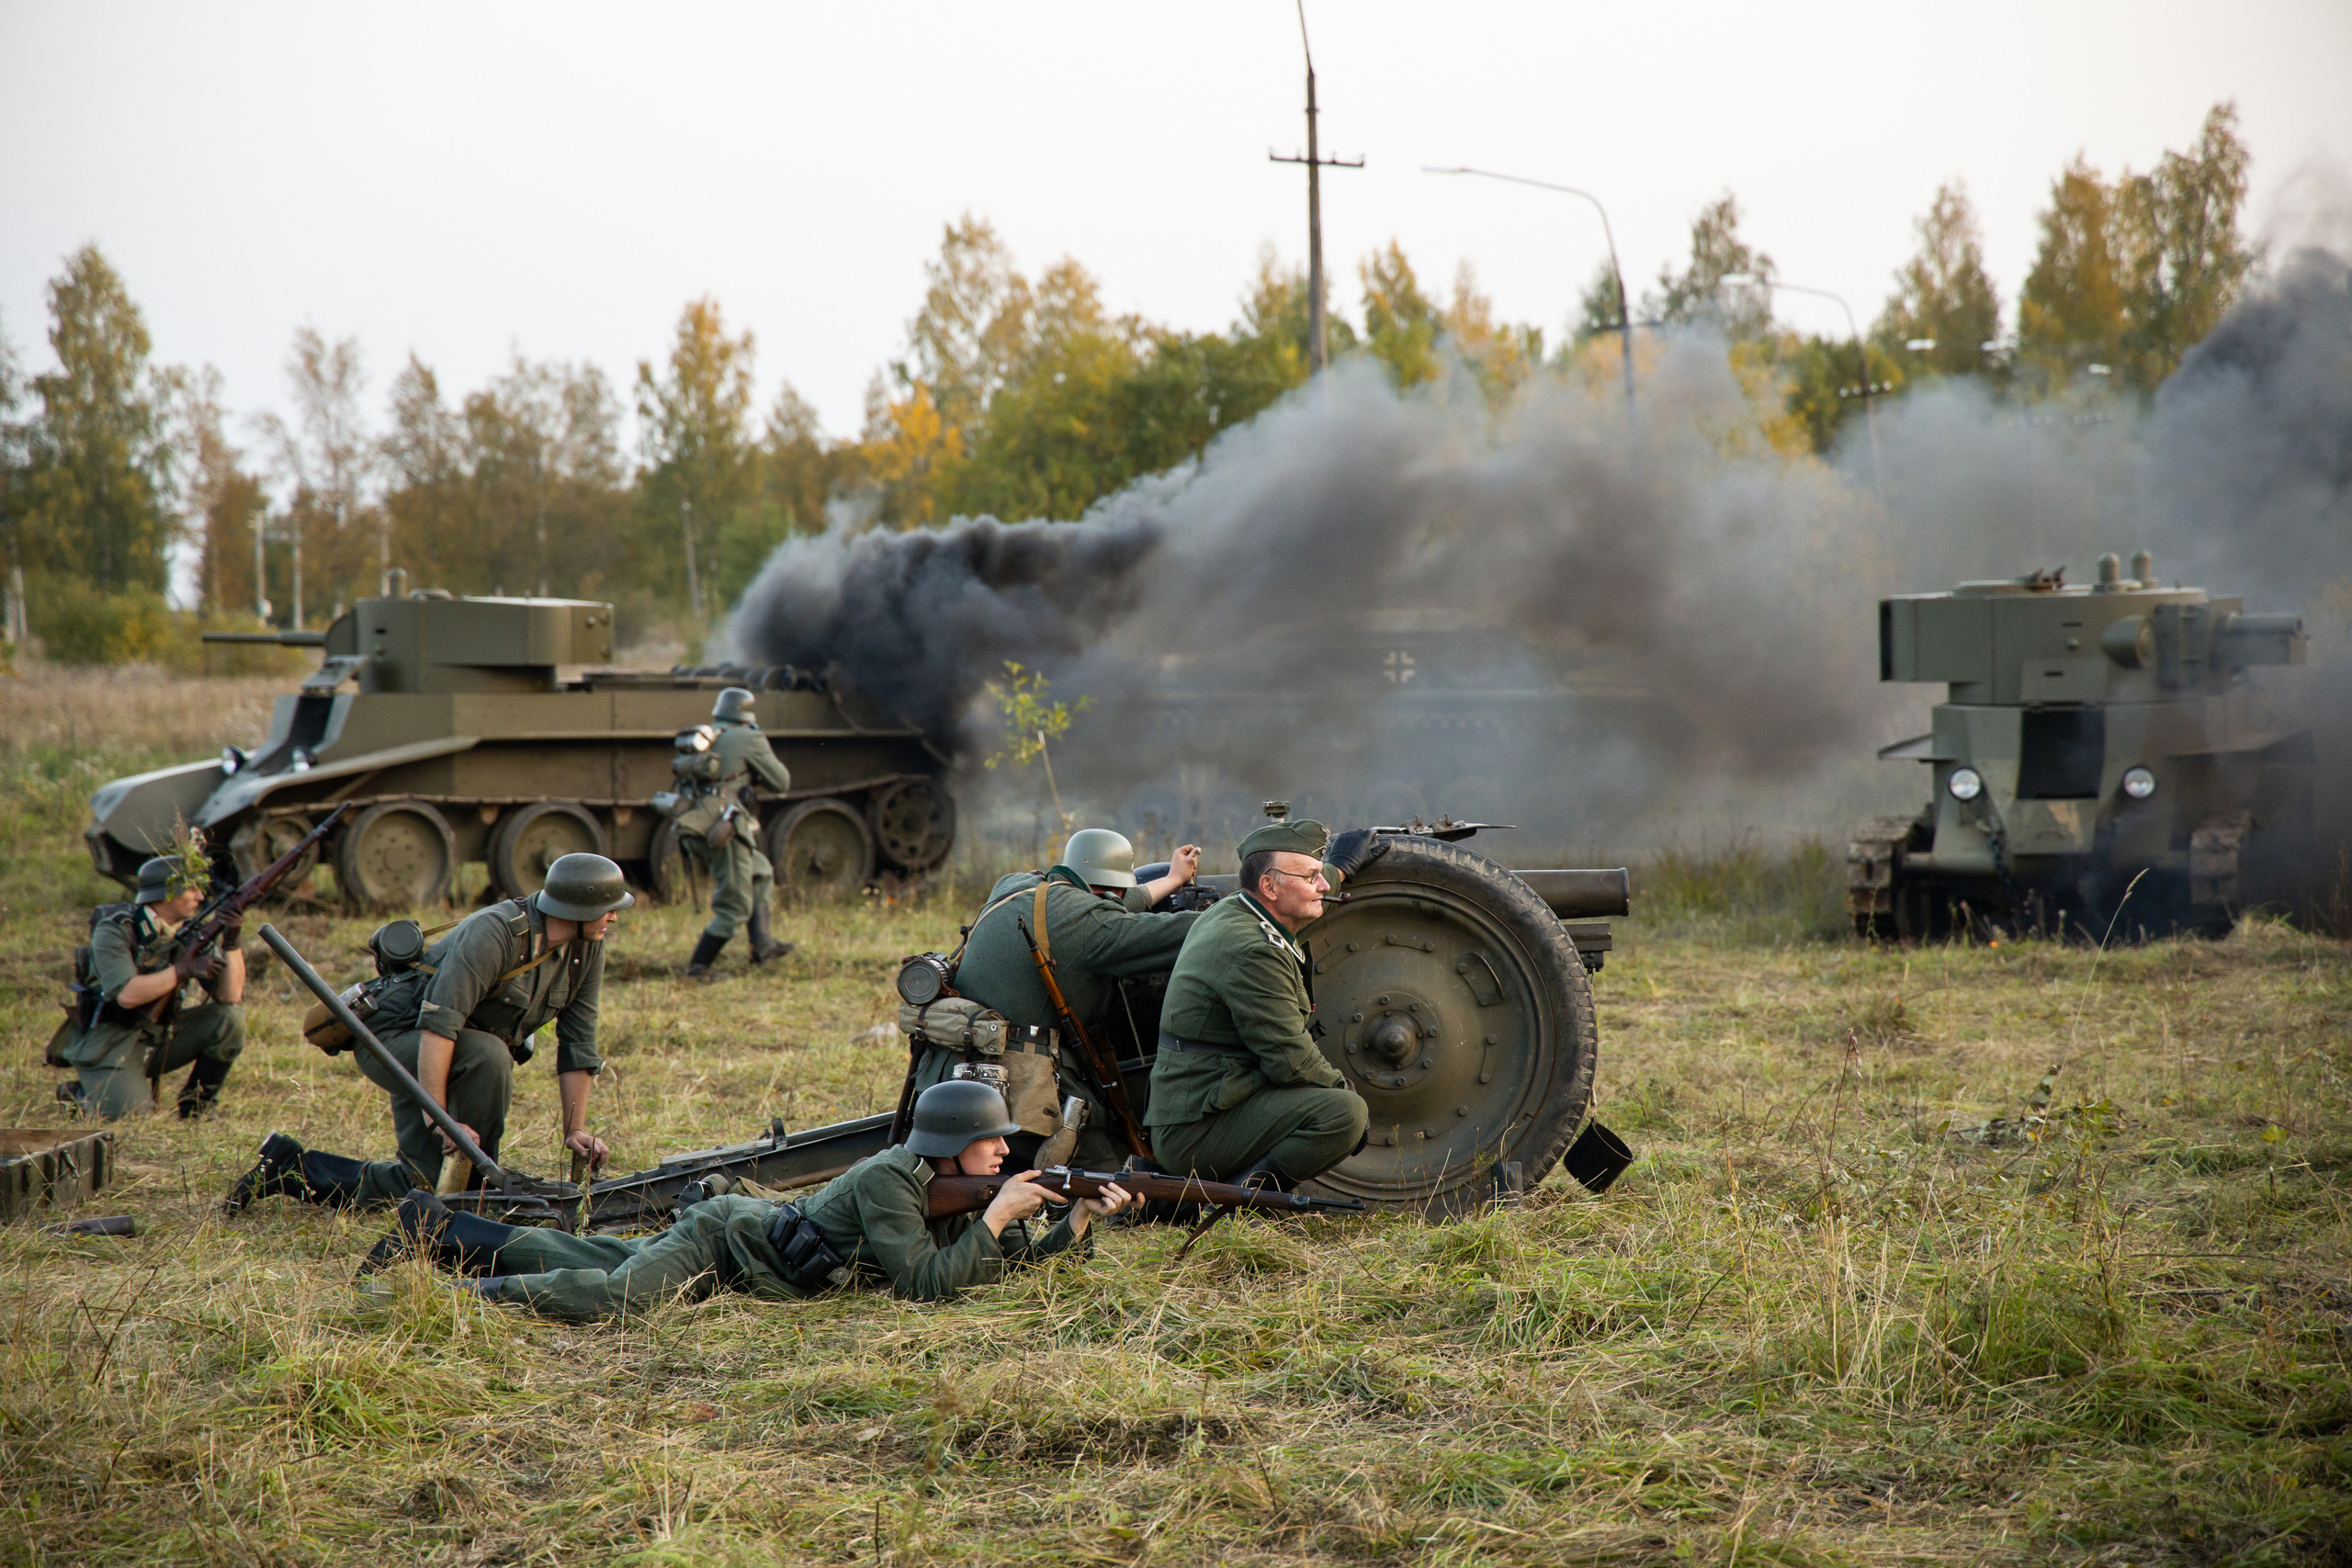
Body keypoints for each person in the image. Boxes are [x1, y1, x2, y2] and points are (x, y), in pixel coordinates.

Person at [374, 1079, 1132, 1322]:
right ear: (948, 1142)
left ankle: (438, 1225)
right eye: (993, 1140)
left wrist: (1075, 1218)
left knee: (597, 1252)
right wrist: (999, 1213)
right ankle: (459, 1294)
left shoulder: (947, 1188)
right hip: (727, 1236)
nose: (1006, 1151)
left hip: (750, 1259)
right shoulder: (888, 1180)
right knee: (618, 1295)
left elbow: (1006, 1262)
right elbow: (926, 1286)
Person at [222, 852, 630, 1215]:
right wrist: (441, 1121)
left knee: (424, 1184)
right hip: (396, 1038)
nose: (614, 917)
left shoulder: (586, 948)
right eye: (609, 908)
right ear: (576, 908)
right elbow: (440, 1024)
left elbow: (578, 1044)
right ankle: (479, 1190)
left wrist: (574, 1130)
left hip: (450, 1049)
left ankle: (291, 1171)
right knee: (489, 1061)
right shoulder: (497, 932)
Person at [911, 828, 1204, 1168]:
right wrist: (1249, 915)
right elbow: (1167, 932)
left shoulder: (1015, 885)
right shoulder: (1086, 922)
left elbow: (1105, 908)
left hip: (947, 1074)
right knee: (1114, 1186)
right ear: (1115, 888)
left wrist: (1172, 878)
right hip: (1019, 1089)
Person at [1145, 819, 1391, 1190]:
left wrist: (1337, 869)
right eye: (1312, 877)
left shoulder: (1237, 910)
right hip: (1198, 1132)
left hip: (1210, 1102)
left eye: (1321, 874)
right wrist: (1345, 1092)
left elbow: (1298, 900)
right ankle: (1231, 1204)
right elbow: (1291, 1062)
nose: (1323, 885)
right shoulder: (1254, 952)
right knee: (1345, 1115)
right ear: (1269, 886)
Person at [62, 854, 245, 1120]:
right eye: (191, 889)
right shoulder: (116, 929)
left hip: (160, 1036)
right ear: (165, 892)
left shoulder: (191, 932)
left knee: (230, 1018)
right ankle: (81, 1096)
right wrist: (182, 970)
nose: (200, 897)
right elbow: (127, 994)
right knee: (132, 1117)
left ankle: (198, 1108)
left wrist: (231, 941)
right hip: (110, 1042)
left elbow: (230, 995)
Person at [682, 685, 793, 977]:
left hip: (698, 817)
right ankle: (699, 967)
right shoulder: (748, 736)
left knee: (760, 871)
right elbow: (781, 782)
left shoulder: (709, 734)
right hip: (725, 824)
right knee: (734, 907)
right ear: (747, 712)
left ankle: (762, 944)